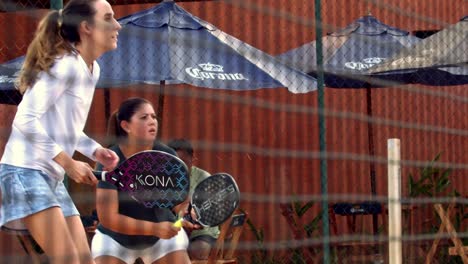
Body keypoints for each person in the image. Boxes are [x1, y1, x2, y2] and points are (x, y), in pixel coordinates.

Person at [0, 0, 121, 263]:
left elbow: (65, 128)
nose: (117, 25)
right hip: (24, 170)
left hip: (50, 175)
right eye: (108, 17)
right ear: (87, 27)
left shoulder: (91, 69)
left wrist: (95, 150)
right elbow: (25, 118)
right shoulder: (64, 65)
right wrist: (68, 163)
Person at [92, 97, 196, 264]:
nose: (151, 121)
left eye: (153, 117)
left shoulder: (168, 155)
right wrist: (154, 228)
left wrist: (187, 209)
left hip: (163, 237)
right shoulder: (109, 158)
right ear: (126, 126)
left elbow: (178, 201)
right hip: (115, 239)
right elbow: (108, 218)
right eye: (144, 117)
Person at [167, 138, 220, 260]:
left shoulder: (205, 179)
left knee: (198, 250)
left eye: (183, 162)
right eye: (174, 163)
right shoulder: (163, 180)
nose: (178, 168)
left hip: (201, 233)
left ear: (193, 160)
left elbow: (208, 215)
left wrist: (192, 222)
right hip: (174, 230)